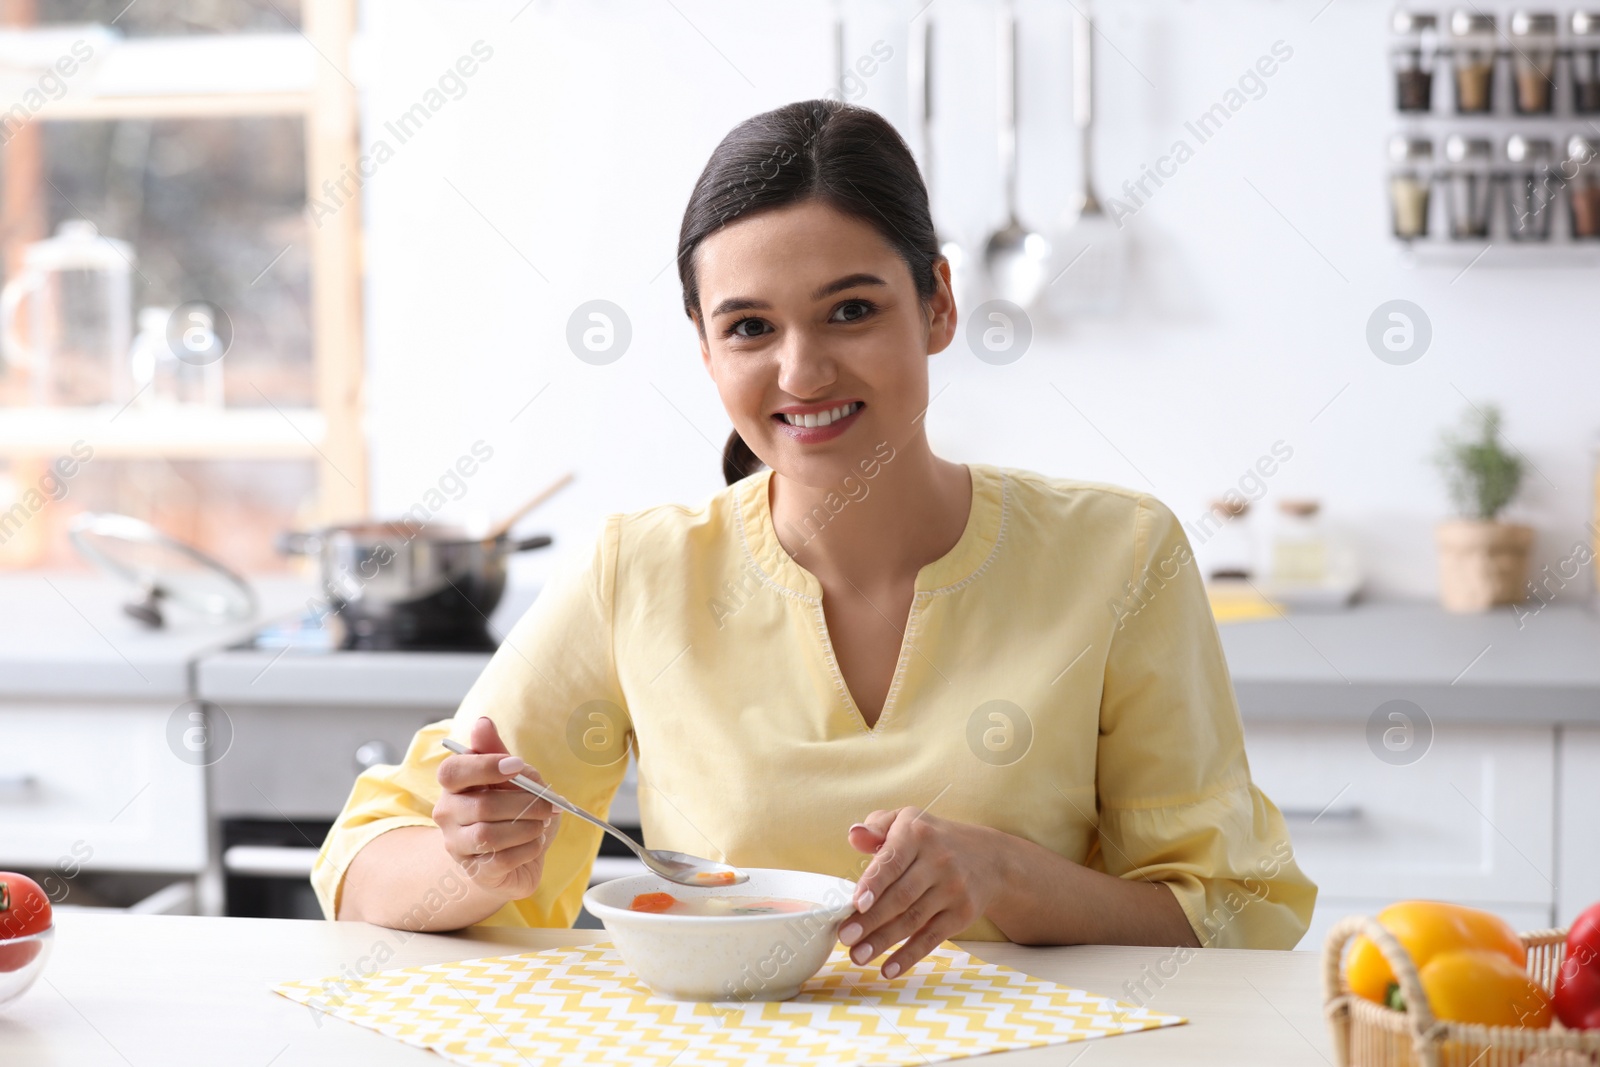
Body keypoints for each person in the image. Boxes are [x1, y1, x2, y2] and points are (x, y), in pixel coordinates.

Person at [315, 99, 1316, 977]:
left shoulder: (1120, 555)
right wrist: (470, 855)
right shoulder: (643, 573)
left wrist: (1007, 875)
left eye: (850, 309)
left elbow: (1231, 914)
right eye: (749, 327)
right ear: (703, 347)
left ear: (938, 304)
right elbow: (361, 866)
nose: (801, 372)